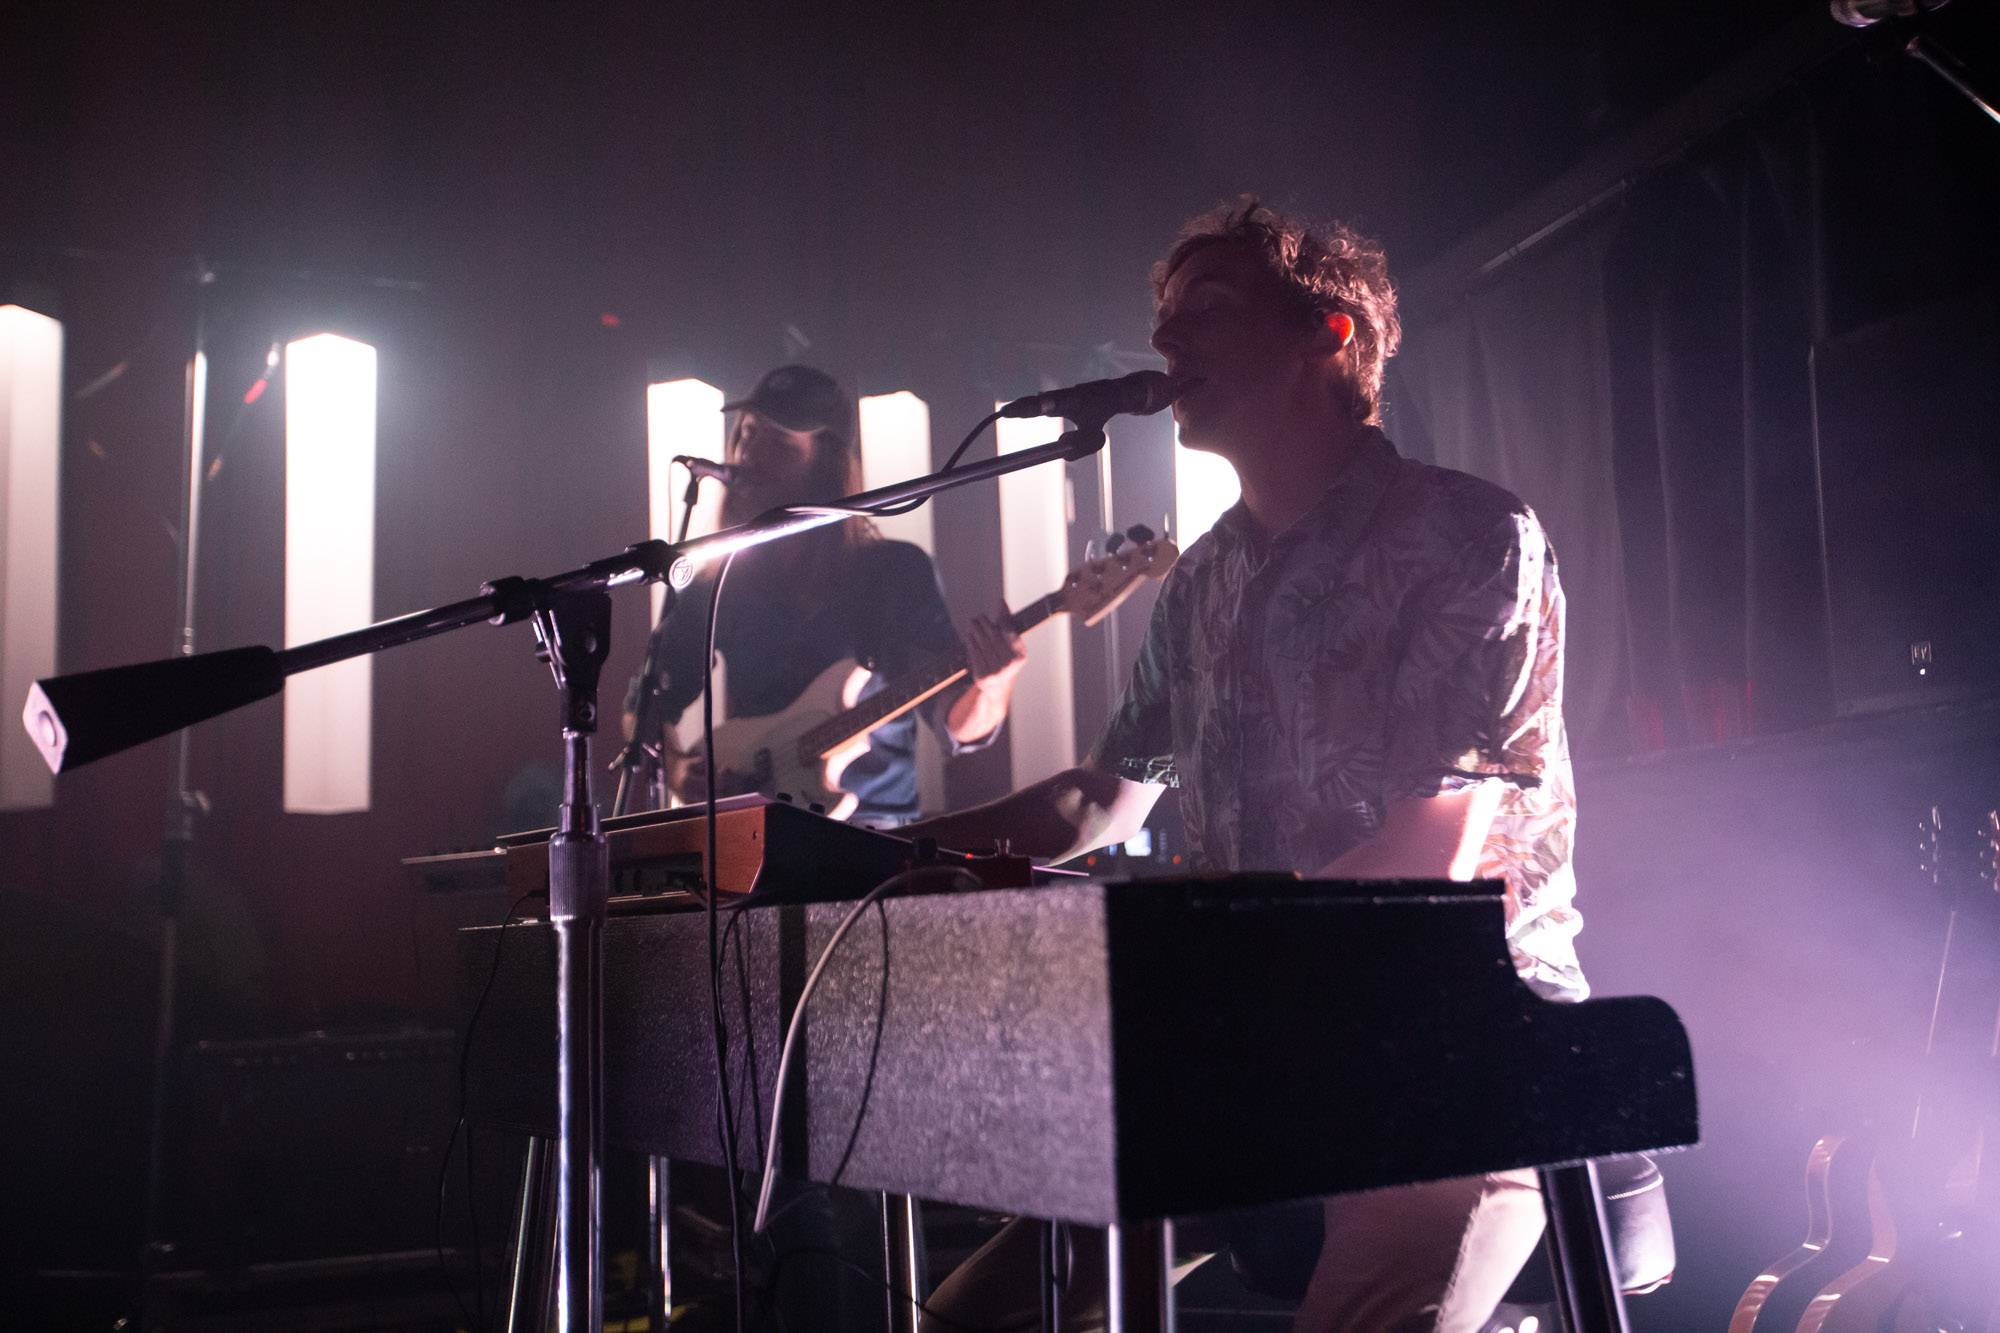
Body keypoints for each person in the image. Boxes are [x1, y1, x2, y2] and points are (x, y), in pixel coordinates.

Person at [905, 199, 1588, 1333]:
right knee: (971, 1322)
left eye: (1207, 311)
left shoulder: (1468, 536)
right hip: (1258, 1038)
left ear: (1327, 335)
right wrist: (883, 854)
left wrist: (1188, 965)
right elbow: (1103, 794)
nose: (1163, 343)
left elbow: (1428, 854)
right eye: (1163, 320)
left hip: (1460, 1038)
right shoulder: (1204, 582)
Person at [624, 363, 1027, 826]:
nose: (750, 454)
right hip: (758, 831)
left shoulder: (894, 572)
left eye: (779, 444)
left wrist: (993, 690)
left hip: (875, 833)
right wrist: (676, 768)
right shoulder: (718, 582)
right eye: (748, 434)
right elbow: (644, 706)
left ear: (826, 468)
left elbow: (956, 720)